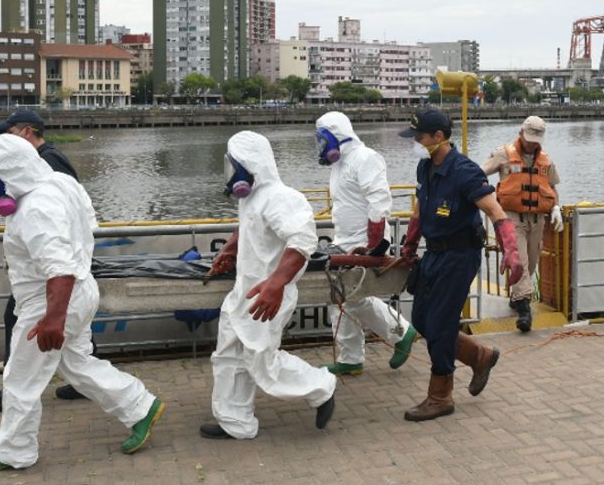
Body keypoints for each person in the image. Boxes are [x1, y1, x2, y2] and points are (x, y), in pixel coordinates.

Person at [0, 134, 163, 471]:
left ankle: (15, 451)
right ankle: (139, 406)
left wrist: (52, 319)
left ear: (6, 176)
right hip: (79, 290)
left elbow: (58, 267)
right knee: (77, 364)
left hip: (50, 301)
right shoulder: (59, 182)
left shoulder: (34, 210)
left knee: (20, 378)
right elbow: (89, 225)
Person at [200, 131, 336, 439]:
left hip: (268, 294)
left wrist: (276, 284)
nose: (230, 172)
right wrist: (231, 249)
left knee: (262, 363)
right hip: (244, 291)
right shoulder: (251, 197)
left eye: (233, 164)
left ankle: (321, 387)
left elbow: (302, 241)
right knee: (228, 356)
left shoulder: (282, 198)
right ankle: (234, 421)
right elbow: (248, 226)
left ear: (250, 164)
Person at [397, 109, 524, 422]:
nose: (415, 141)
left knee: (440, 325)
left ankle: (440, 396)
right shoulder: (425, 166)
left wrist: (511, 250)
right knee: (424, 321)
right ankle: (479, 356)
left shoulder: (465, 172)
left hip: (459, 256)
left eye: (419, 136)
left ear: (438, 137)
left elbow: (495, 212)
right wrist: (410, 244)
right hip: (434, 254)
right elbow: (419, 209)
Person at [0, 109, 86, 413]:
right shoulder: (46, 159)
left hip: (49, 264)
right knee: (76, 330)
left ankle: (11, 390)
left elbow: (56, 214)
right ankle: (84, 382)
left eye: (9, 132)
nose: (4, 140)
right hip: (49, 260)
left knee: (16, 317)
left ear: (27, 132)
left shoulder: (46, 163)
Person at [315, 111, 417, 375]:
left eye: (322, 140)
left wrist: (375, 245)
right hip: (343, 240)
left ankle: (401, 332)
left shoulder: (366, 158)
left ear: (334, 136)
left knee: (355, 298)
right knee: (338, 298)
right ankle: (350, 358)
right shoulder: (339, 165)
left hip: (362, 243)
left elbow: (379, 202)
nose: (320, 147)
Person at [480, 115, 564, 332]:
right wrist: (484, 197)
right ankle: (525, 311)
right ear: (520, 134)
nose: (532, 143)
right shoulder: (503, 154)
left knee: (532, 262)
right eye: (529, 138)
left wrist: (555, 207)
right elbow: (478, 173)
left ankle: (517, 299)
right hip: (512, 218)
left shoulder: (546, 160)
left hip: (537, 220)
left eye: (536, 139)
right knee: (521, 261)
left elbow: (552, 187)